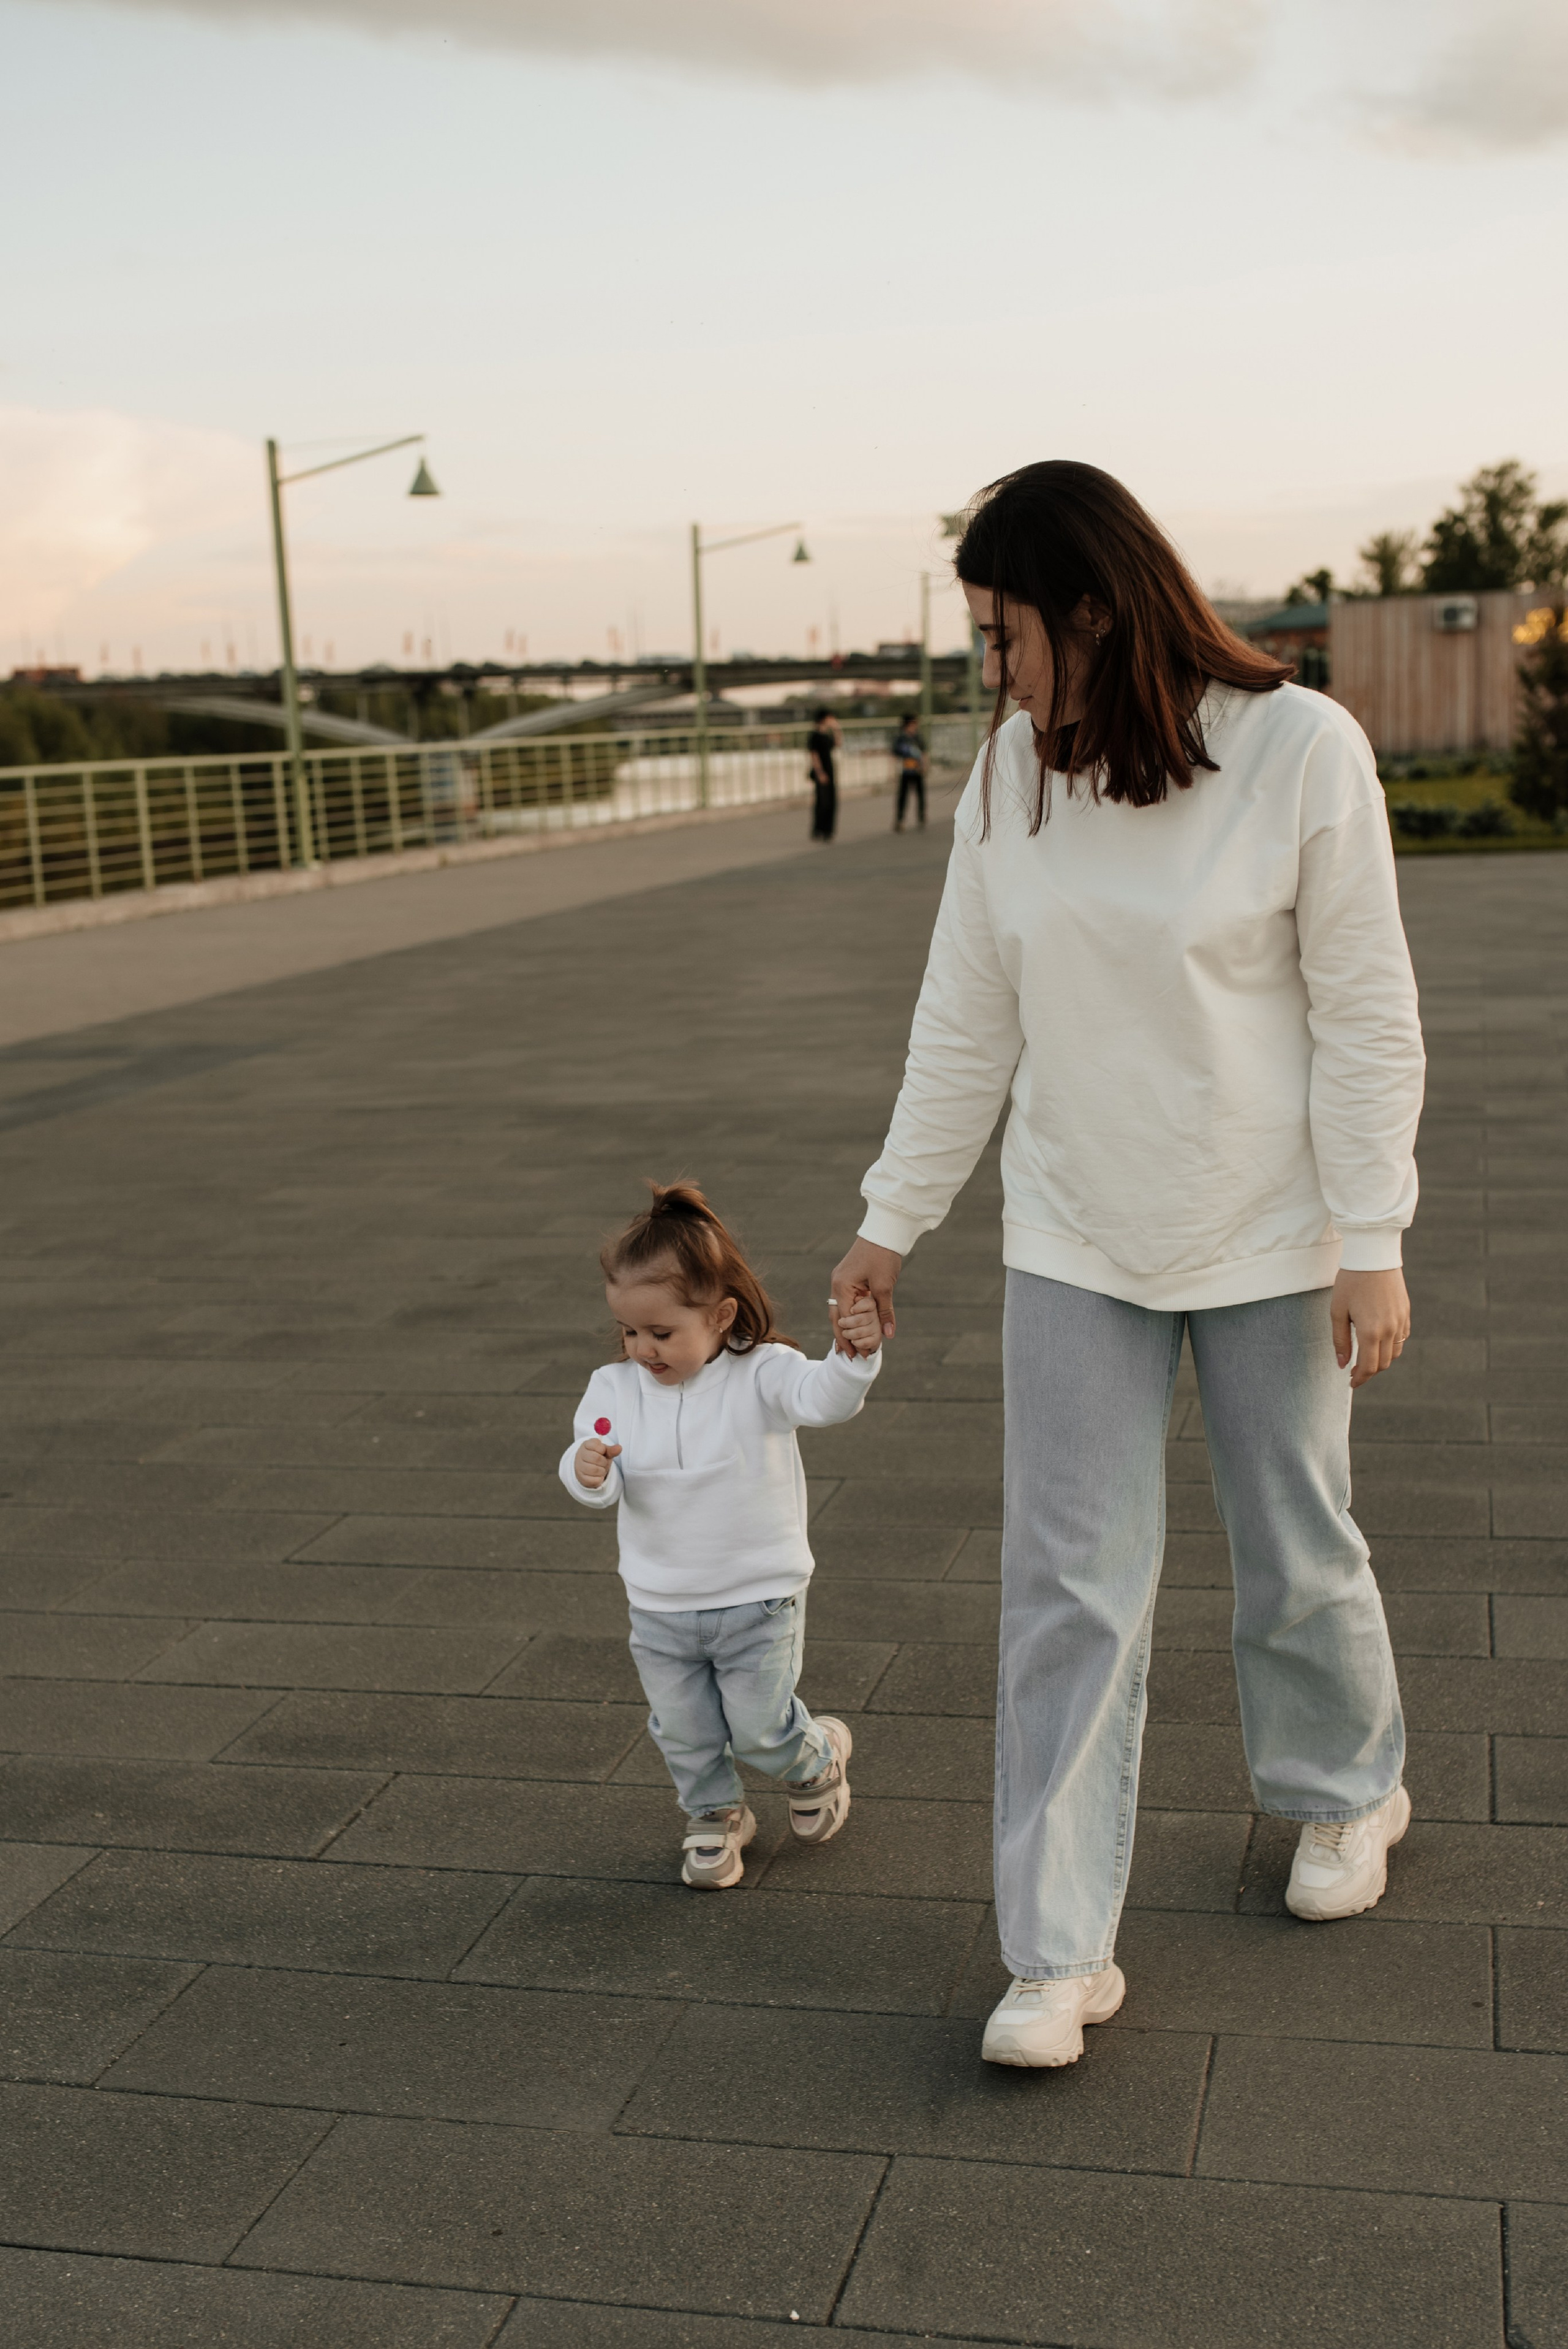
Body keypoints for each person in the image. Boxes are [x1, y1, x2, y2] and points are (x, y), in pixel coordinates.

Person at [829, 460, 1425, 2068]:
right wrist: (895, 1219)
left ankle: (1346, 1789)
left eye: (1004, 635)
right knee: (1065, 1589)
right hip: (1079, 1231)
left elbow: (1366, 1005)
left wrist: (1370, 1236)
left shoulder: (1300, 750)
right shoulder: (1014, 774)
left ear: (1090, 608)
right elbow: (970, 1011)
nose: (993, 671)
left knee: (1292, 1537)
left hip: (1271, 1232)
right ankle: (1056, 1945)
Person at [562, 1181, 883, 1889]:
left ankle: (815, 1757)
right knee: (684, 1730)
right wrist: (586, 1468)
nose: (643, 1348)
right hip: (660, 1604)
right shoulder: (613, 1388)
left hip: (756, 1597)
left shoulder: (762, 1374)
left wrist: (854, 1356)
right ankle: (714, 1815)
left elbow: (824, 1399)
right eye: (630, 1331)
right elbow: (595, 1464)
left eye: (662, 1332)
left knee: (761, 1729)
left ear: (721, 1315)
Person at [807, 707, 840, 840]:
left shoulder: (827, 735)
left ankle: (829, 830)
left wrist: (837, 729)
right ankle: (818, 829)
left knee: (832, 801)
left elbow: (838, 744)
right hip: (821, 772)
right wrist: (820, 773)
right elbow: (814, 755)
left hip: (830, 770)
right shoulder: (814, 735)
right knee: (822, 802)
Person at [892, 711, 926, 830]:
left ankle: (921, 818)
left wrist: (924, 766)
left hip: (917, 770)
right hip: (905, 771)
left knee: (921, 795)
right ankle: (900, 820)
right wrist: (893, 772)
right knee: (903, 796)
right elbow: (894, 755)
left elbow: (924, 753)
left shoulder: (918, 737)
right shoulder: (901, 738)